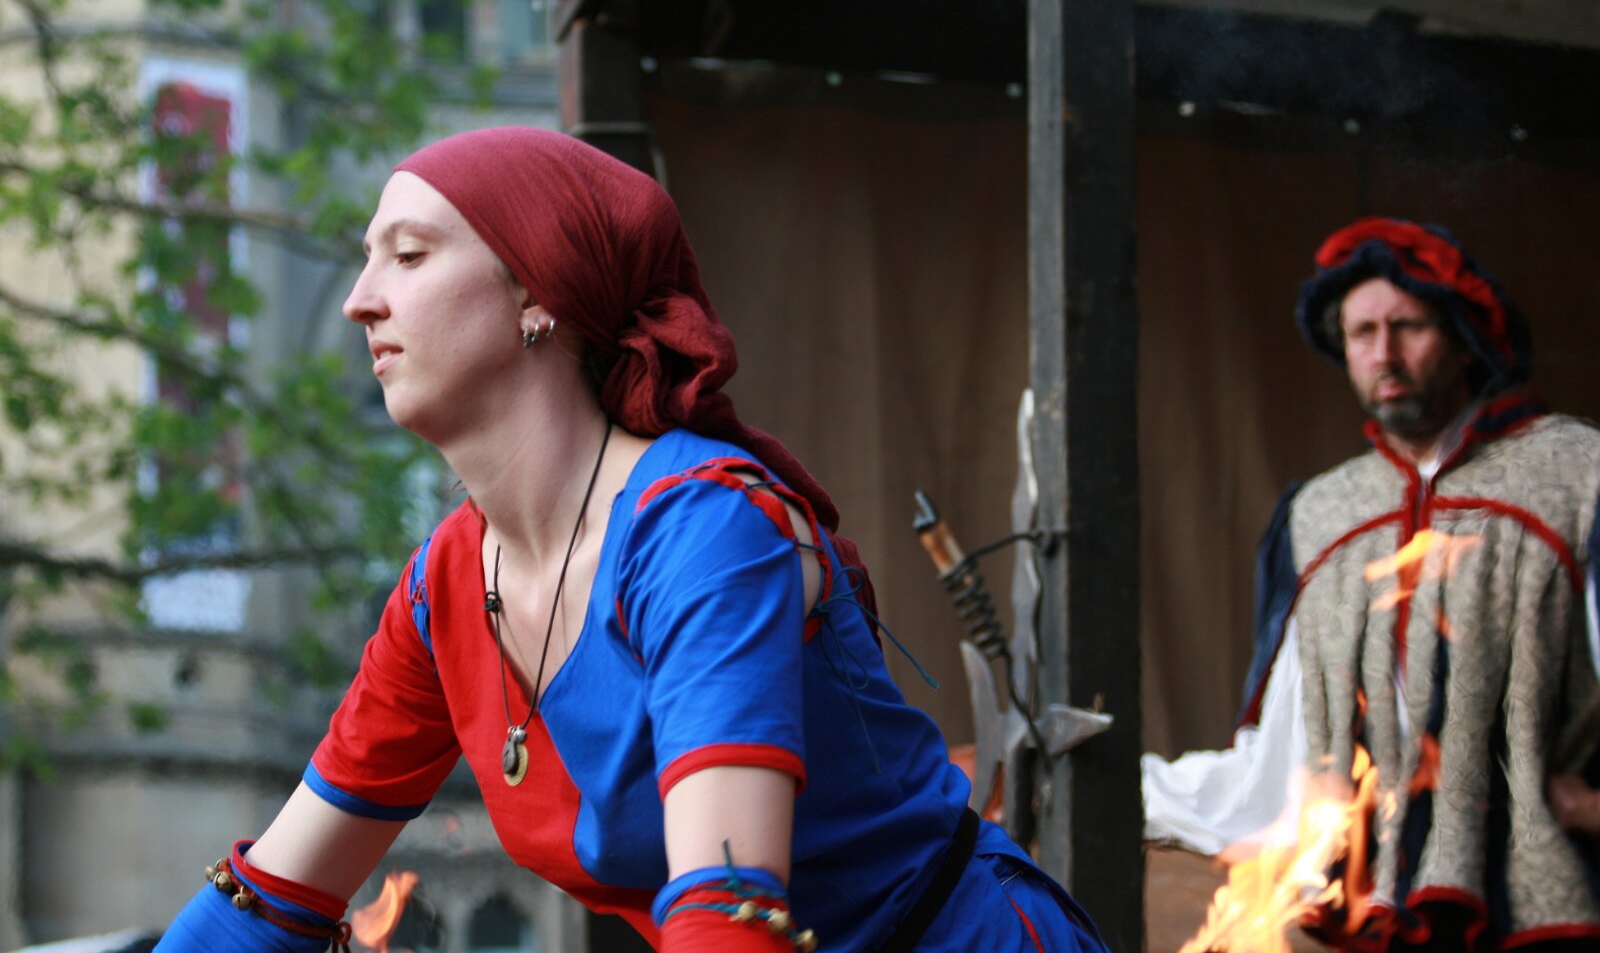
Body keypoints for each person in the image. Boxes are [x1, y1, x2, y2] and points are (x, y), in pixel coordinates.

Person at [152, 127, 1108, 953]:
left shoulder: (704, 528)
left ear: (538, 293)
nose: (360, 299)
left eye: (408, 256)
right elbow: (274, 890)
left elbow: (730, 913)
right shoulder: (446, 584)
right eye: (367, 260)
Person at [1143, 217, 1600, 950]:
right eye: (1362, 333)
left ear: (1463, 338)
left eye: (1408, 326)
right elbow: (1283, 750)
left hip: (1548, 889)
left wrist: (1588, 805)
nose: (1383, 353)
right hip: (1375, 892)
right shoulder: (1319, 512)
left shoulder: (1574, 473)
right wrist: (1129, 787)